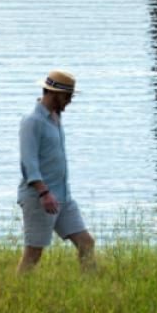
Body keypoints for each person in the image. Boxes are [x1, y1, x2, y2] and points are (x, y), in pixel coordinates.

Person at [18, 69, 96, 273]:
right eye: (67, 96)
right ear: (52, 94)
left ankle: (92, 289)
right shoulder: (32, 121)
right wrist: (44, 193)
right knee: (33, 254)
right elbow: (29, 163)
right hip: (40, 197)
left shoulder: (55, 118)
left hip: (63, 196)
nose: (70, 100)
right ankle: (16, 292)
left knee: (86, 243)